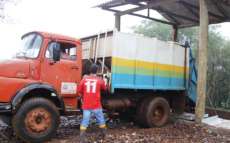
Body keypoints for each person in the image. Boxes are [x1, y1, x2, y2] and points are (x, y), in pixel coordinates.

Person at [78, 64, 107, 142]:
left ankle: (82, 138)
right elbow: (104, 88)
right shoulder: (99, 80)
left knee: (85, 121)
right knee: (101, 120)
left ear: (89, 71)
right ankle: (104, 135)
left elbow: (79, 90)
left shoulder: (84, 79)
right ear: (97, 71)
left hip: (86, 105)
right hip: (96, 105)